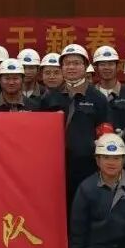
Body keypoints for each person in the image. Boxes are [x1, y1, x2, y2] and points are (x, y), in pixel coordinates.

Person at [41, 44, 111, 225]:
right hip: (55, 166)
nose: (71, 67)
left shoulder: (98, 98)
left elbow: (104, 132)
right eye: (67, 64)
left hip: (87, 167)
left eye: (76, 63)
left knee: (85, 211)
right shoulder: (49, 97)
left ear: (85, 66)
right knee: (57, 211)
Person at [93, 46, 125, 174]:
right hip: (95, 159)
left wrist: (123, 133)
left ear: (117, 66)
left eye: (111, 64)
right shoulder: (90, 94)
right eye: (102, 64)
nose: (107, 68)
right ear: (96, 68)